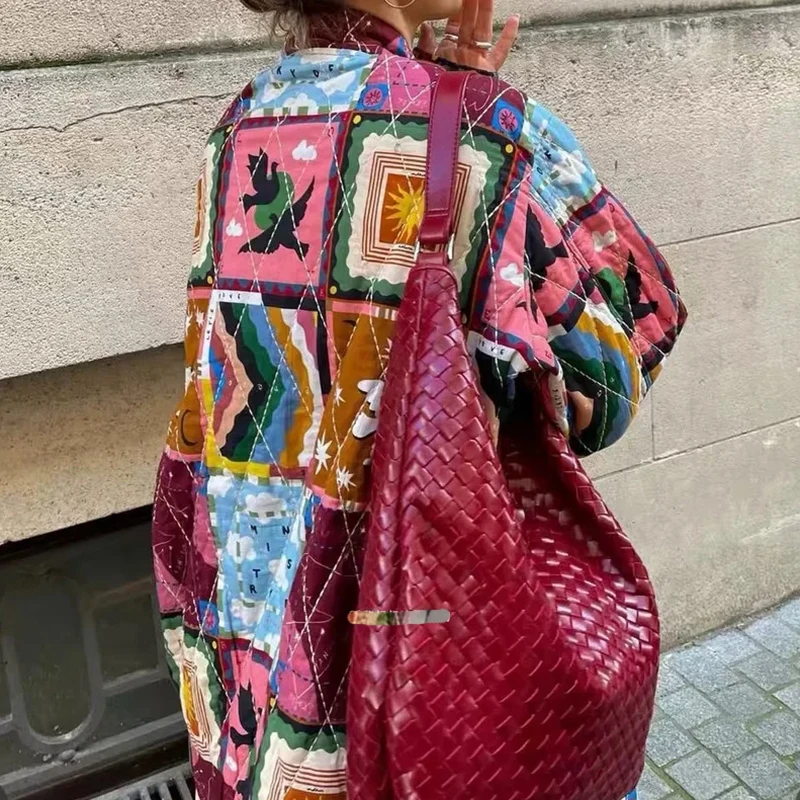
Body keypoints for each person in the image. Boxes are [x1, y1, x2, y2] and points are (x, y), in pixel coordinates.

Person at [151, 0, 686, 798]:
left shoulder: (235, 129)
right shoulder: (484, 131)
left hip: (258, 660)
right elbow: (607, 384)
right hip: (440, 667)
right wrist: (483, 126)